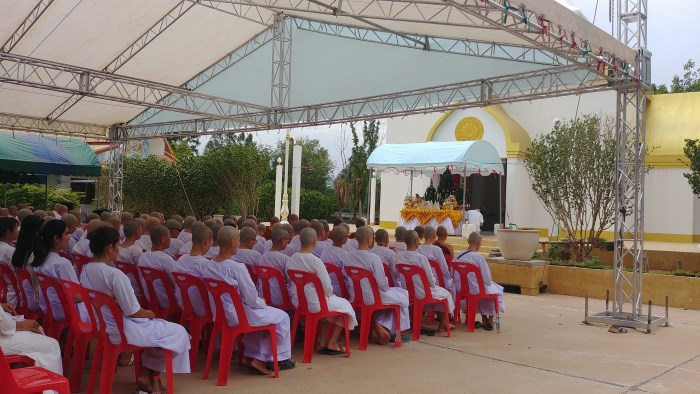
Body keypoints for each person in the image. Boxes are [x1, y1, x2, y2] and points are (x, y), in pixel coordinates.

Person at [80, 226, 190, 393]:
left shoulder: (85, 270)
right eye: (118, 245)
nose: (119, 248)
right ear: (110, 248)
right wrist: (150, 314)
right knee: (178, 332)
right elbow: (133, 311)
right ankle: (150, 376)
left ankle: (148, 375)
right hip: (121, 329)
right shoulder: (114, 275)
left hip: (103, 325)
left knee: (162, 331)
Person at [203, 226, 295, 374]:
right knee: (282, 318)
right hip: (239, 315)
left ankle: (250, 356)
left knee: (264, 318)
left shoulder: (208, 266)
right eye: (238, 240)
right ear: (232, 242)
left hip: (221, 315)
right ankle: (263, 359)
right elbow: (251, 298)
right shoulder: (236, 268)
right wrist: (262, 302)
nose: (239, 244)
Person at [287, 228, 357, 355]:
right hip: (316, 303)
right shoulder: (316, 261)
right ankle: (332, 342)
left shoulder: (291, 259)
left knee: (332, 308)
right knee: (346, 306)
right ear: (315, 242)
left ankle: (324, 342)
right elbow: (328, 287)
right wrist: (329, 295)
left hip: (299, 302)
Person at [346, 226, 411, 344]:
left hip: (356, 296)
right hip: (373, 296)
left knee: (398, 295)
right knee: (403, 296)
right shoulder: (373, 258)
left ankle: (380, 324)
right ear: (370, 239)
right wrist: (386, 288)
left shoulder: (348, 256)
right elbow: (383, 284)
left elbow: (346, 274)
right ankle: (392, 332)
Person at [395, 230, 454, 332]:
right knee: (445, 294)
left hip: (407, 292)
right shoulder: (421, 258)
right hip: (423, 292)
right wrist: (434, 286)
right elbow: (430, 279)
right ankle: (442, 323)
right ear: (417, 240)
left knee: (434, 293)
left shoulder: (398, 256)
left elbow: (396, 275)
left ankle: (423, 321)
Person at [32, 219, 90, 323]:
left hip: (49, 307)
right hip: (66, 310)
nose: (69, 237)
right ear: (56, 238)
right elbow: (75, 295)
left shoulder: (40, 259)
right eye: (66, 234)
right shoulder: (62, 263)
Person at [452, 232, 504, 331]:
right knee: (497, 291)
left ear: (468, 241)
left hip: (460, 290)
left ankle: (485, 319)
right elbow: (487, 279)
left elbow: (451, 274)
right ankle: (491, 320)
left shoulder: (457, 256)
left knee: (480, 288)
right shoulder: (478, 258)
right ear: (479, 243)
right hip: (475, 289)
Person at [0, 302, 63, 375]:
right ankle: (50, 384)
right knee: (52, 345)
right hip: (3, 338)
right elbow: (4, 326)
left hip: (4, 332)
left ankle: (26, 376)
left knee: (38, 329)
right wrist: (20, 325)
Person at [138, 225, 181, 310]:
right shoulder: (166, 259)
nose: (170, 240)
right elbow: (176, 281)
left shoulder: (143, 257)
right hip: (167, 300)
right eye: (169, 237)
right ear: (163, 239)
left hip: (150, 297)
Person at [11, 215, 42, 315]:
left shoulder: (20, 250)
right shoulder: (34, 255)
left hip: (23, 295)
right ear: (37, 231)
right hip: (34, 299)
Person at [259, 227, 292, 308]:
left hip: (263, 295)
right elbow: (290, 280)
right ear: (282, 241)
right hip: (280, 297)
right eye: (287, 239)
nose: (288, 241)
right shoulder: (284, 258)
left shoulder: (262, 257)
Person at [417, 226, 454, 292]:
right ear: (434, 235)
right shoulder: (437, 250)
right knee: (453, 286)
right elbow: (444, 270)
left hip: (421, 281)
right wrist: (449, 277)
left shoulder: (417, 248)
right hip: (437, 281)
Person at [319, 225, 349, 298]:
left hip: (327, 285)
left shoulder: (325, 250)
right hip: (341, 287)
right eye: (347, 236)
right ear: (343, 239)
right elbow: (347, 274)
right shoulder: (343, 254)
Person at [0, 217, 19, 307]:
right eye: (15, 228)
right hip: (13, 292)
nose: (17, 230)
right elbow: (17, 275)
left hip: (4, 289)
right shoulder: (10, 251)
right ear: (8, 231)